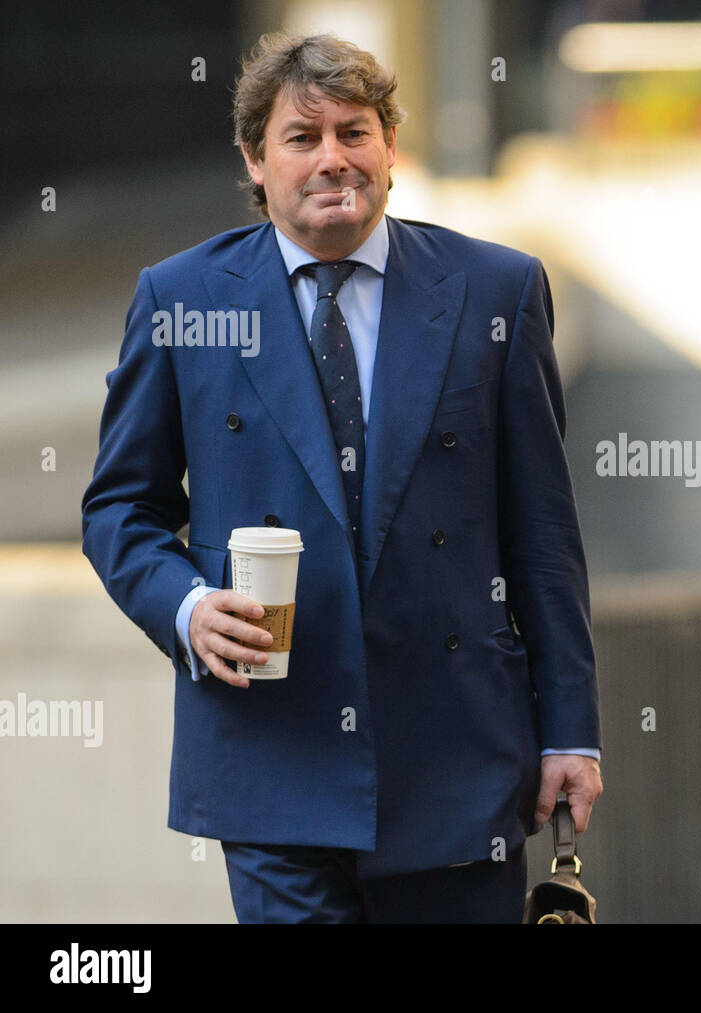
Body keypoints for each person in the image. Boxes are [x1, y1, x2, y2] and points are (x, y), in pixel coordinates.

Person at [81, 32, 602, 923]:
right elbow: (121, 507)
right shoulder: (182, 300)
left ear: (391, 146)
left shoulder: (497, 291)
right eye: (302, 137)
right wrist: (186, 607)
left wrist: (570, 728)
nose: (333, 159)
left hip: (458, 762)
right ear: (254, 159)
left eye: (354, 132)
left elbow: (544, 534)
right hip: (273, 756)